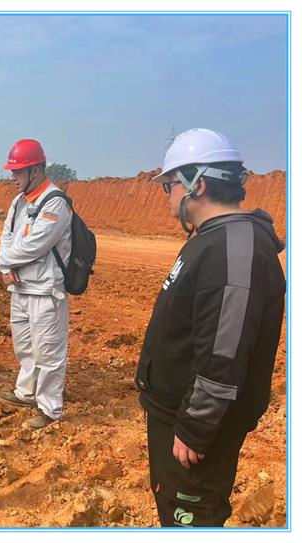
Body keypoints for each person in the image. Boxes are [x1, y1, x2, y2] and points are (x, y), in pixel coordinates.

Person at [136, 128, 285, 527]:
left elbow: (225, 350)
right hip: (177, 414)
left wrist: (196, 427)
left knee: (191, 517)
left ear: (196, 184)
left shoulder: (234, 248)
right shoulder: (214, 238)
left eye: (169, 184)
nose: (166, 195)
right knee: (173, 508)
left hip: (198, 430)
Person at [0, 139, 73, 429]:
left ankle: (50, 408)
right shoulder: (19, 202)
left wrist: (3, 262)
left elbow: (37, 244)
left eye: (18, 172)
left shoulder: (55, 202)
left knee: (48, 352)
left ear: (36, 171)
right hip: (21, 288)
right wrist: (6, 264)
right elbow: (7, 235)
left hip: (45, 291)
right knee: (25, 347)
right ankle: (26, 392)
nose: (12, 178)